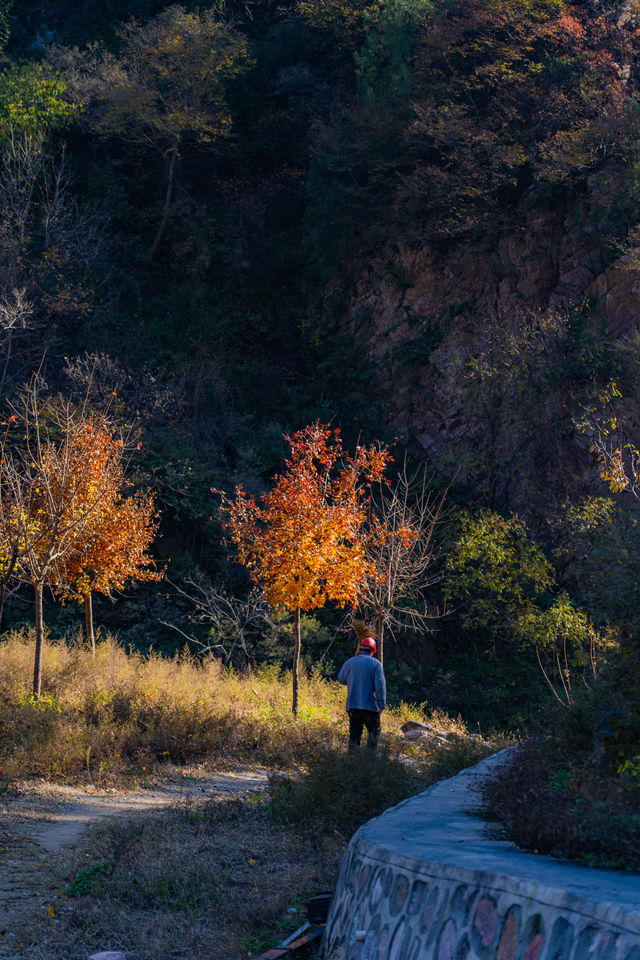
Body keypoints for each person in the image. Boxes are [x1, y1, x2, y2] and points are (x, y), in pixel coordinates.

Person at [338, 636, 386, 751]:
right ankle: (369, 758)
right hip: (371, 707)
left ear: (360, 649)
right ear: (372, 650)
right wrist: (382, 705)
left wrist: (353, 681)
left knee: (354, 736)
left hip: (353, 706)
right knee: (374, 733)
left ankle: (353, 759)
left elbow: (341, 679)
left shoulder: (349, 662)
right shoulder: (376, 664)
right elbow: (380, 687)